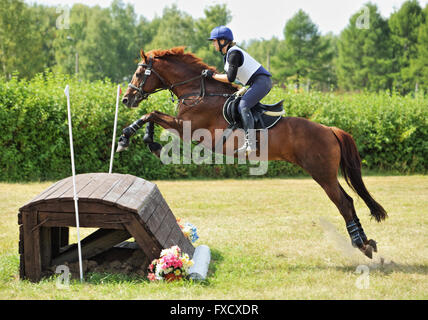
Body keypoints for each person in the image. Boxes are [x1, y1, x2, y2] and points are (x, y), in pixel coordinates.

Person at [202, 25, 272, 154]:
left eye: (214, 41)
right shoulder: (229, 54)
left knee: (243, 106)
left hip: (261, 82)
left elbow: (230, 78)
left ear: (222, 41)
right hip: (255, 82)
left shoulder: (233, 53)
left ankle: (251, 143)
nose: (213, 44)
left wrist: (213, 75)